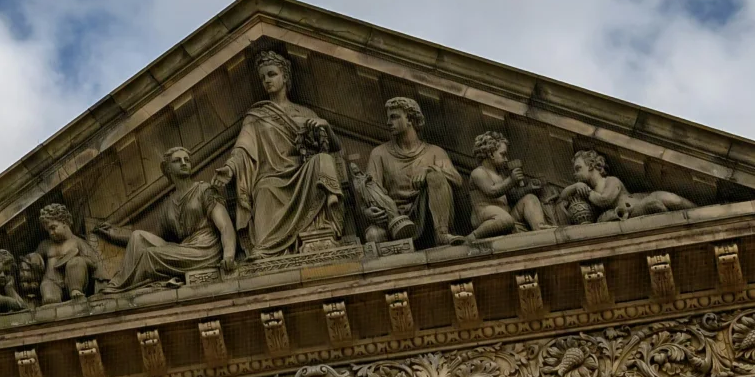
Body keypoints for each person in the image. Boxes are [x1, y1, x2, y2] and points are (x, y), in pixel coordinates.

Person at [226, 48, 347, 257]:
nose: (267, 81)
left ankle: (326, 216)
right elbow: (242, 149)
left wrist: (325, 126)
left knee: (323, 160)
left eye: (272, 74)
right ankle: (266, 247)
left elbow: (335, 147)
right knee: (265, 189)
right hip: (271, 177)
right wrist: (229, 168)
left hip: (303, 173)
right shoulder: (256, 116)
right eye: (263, 77)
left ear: (285, 76)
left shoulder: (305, 113)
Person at [98, 145, 237, 286]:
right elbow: (155, 236)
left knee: (149, 256)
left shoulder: (204, 190)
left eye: (187, 160)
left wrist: (229, 254)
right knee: (138, 236)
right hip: (184, 248)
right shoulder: (168, 204)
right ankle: (118, 284)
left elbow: (225, 225)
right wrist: (115, 234)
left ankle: (119, 289)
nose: (184, 163)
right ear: (168, 168)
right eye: (177, 160)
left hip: (204, 249)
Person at [364, 96, 461, 246]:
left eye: (394, 117)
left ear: (410, 119)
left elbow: (458, 180)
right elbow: (370, 188)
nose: (388, 123)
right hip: (394, 219)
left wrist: (429, 170)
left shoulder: (434, 152)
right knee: (374, 235)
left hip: (427, 216)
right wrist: (367, 211)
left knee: (436, 176)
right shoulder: (379, 153)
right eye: (388, 118)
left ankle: (442, 234)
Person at [561, 149, 693, 222]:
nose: (574, 174)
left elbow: (605, 199)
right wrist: (574, 187)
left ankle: (697, 213)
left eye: (578, 168)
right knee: (654, 205)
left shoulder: (611, 181)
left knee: (674, 200)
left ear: (591, 166)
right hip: (635, 211)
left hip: (639, 202)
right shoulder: (588, 190)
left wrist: (587, 192)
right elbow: (562, 197)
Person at [465, 130, 549, 240]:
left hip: (506, 215)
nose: (506, 159)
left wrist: (528, 188)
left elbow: (513, 195)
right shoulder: (478, 173)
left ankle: (540, 227)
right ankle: (474, 236)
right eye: (503, 154)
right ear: (491, 154)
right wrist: (511, 180)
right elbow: (492, 191)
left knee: (530, 198)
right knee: (505, 220)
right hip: (485, 214)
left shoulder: (501, 175)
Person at [32, 202, 108, 301]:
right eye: (48, 230)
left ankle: (75, 290)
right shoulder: (46, 244)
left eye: (53, 227)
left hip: (72, 281)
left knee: (76, 262)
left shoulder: (77, 242)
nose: (51, 233)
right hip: (51, 281)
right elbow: (36, 254)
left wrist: (78, 259)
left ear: (64, 222)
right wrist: (35, 257)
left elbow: (94, 263)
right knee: (49, 300)